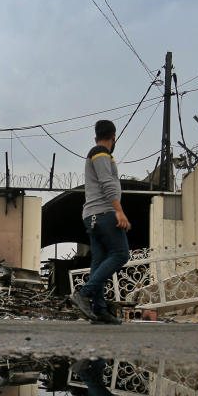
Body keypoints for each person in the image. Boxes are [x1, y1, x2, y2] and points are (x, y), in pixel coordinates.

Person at [70, 119, 131, 325]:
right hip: (103, 214)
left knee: (98, 263)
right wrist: (119, 211)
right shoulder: (100, 153)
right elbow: (107, 183)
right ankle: (84, 294)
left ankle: (99, 309)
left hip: (93, 216)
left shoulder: (98, 154)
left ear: (96, 136)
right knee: (121, 254)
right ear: (114, 137)